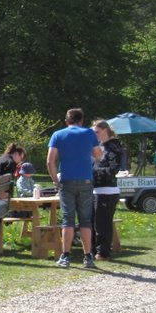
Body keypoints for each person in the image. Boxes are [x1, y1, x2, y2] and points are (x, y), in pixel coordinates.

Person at [46, 108, 102, 269]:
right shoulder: (89, 133)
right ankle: (88, 256)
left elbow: (50, 161)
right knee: (85, 220)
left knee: (68, 219)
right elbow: (98, 155)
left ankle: (65, 256)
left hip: (66, 180)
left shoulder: (58, 135)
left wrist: (55, 180)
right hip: (85, 180)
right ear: (82, 121)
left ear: (66, 121)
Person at [92, 119, 124, 260]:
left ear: (105, 130)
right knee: (95, 222)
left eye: (97, 132)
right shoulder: (100, 146)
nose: (95, 135)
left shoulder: (114, 147)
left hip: (107, 190)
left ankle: (103, 252)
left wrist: (92, 172)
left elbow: (112, 169)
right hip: (96, 189)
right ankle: (94, 249)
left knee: (103, 223)